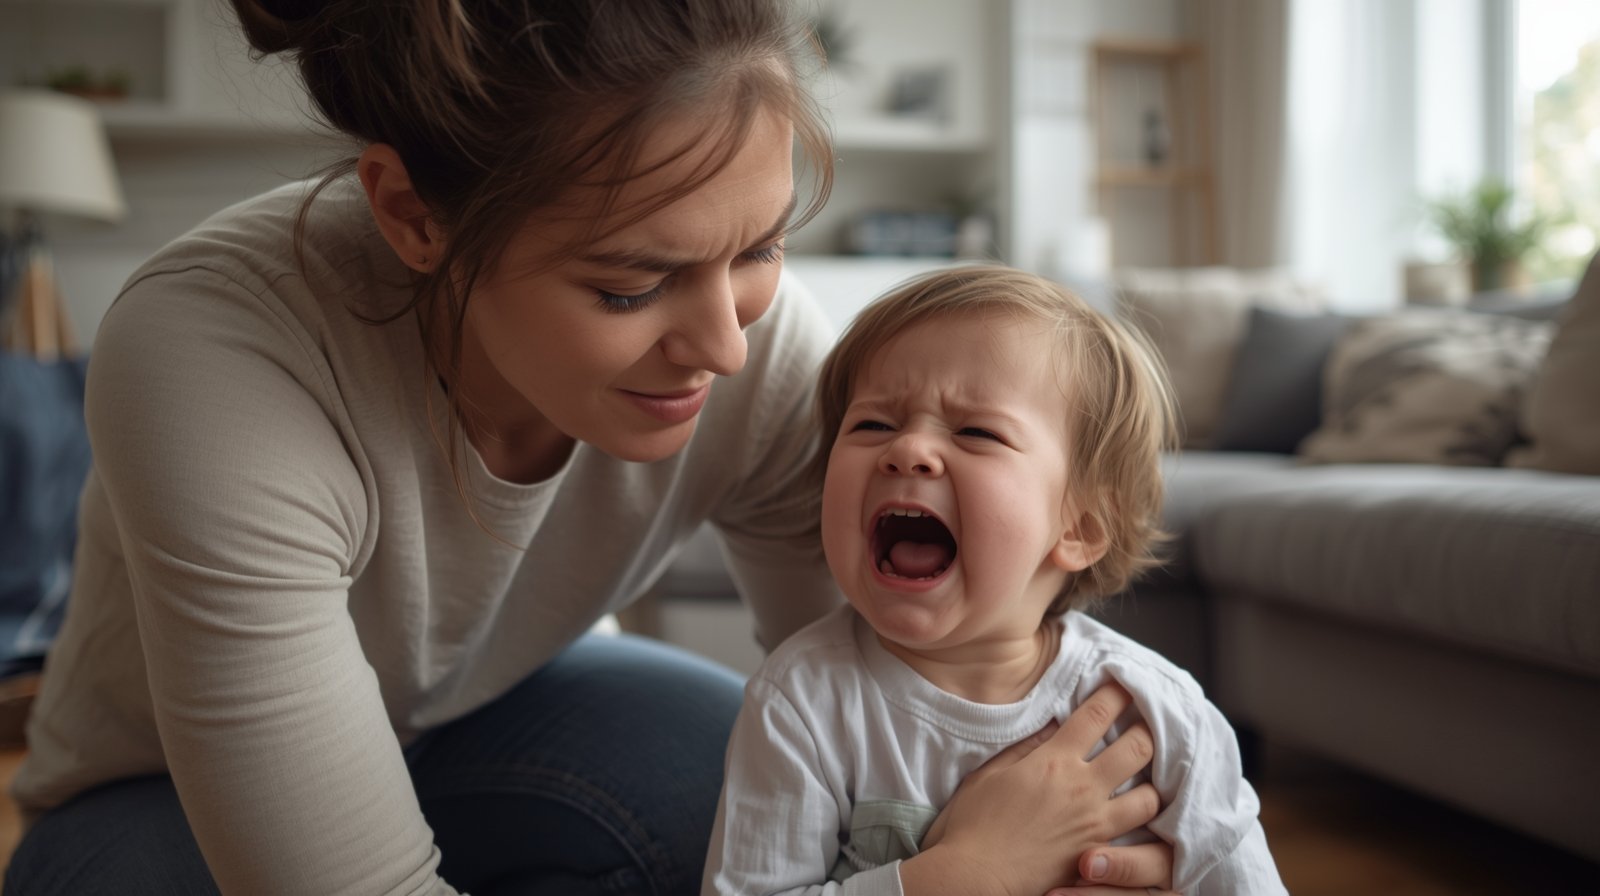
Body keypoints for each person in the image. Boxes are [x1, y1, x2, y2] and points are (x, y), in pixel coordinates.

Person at [3, 3, 1180, 895]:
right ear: (413, 216)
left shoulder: (762, 357)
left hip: (502, 713)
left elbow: (892, 716)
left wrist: (1056, 837)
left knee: (756, 776)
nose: (724, 344)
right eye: (631, 282)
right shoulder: (217, 355)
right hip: (147, 799)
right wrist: (948, 874)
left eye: (759, 248)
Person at [703, 265, 1289, 895]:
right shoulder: (800, 704)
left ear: (1081, 528)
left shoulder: (1159, 715)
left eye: (976, 431)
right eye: (872, 424)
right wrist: (964, 876)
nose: (907, 450)